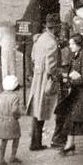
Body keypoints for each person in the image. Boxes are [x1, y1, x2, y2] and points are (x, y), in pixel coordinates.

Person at [27, 15, 61, 151]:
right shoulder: (52, 44)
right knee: (47, 109)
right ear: (55, 28)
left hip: (37, 77)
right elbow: (51, 67)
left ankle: (35, 142)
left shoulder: (40, 39)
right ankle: (47, 141)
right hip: (46, 81)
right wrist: (57, 75)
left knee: (37, 110)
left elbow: (33, 57)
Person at [0, 74, 23, 165]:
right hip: (12, 121)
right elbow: (15, 110)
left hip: (1, 121)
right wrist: (18, 116)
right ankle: (12, 156)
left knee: (3, 140)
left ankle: (1, 159)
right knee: (16, 138)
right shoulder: (15, 97)